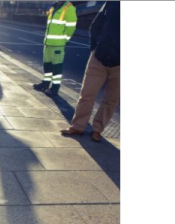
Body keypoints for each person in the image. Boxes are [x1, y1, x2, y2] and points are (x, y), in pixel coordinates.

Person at [60, 1, 120, 142]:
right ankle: (78, 126)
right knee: (87, 94)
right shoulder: (112, 3)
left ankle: (97, 130)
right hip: (99, 57)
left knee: (111, 100)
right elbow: (96, 25)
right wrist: (95, 47)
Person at [32, 1, 77, 97]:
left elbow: (71, 27)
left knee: (57, 67)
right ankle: (45, 84)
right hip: (48, 43)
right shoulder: (53, 7)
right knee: (47, 65)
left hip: (58, 44)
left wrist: (64, 39)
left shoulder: (69, 8)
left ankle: (55, 88)